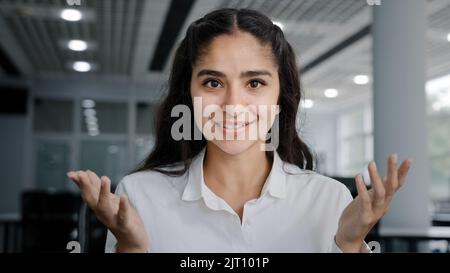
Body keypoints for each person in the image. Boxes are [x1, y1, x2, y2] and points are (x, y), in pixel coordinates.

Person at [67, 8, 411, 253]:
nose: (233, 104)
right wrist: (132, 248)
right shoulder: (139, 195)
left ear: (280, 98)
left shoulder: (329, 199)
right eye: (213, 82)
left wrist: (349, 246)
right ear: (189, 94)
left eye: (255, 82)